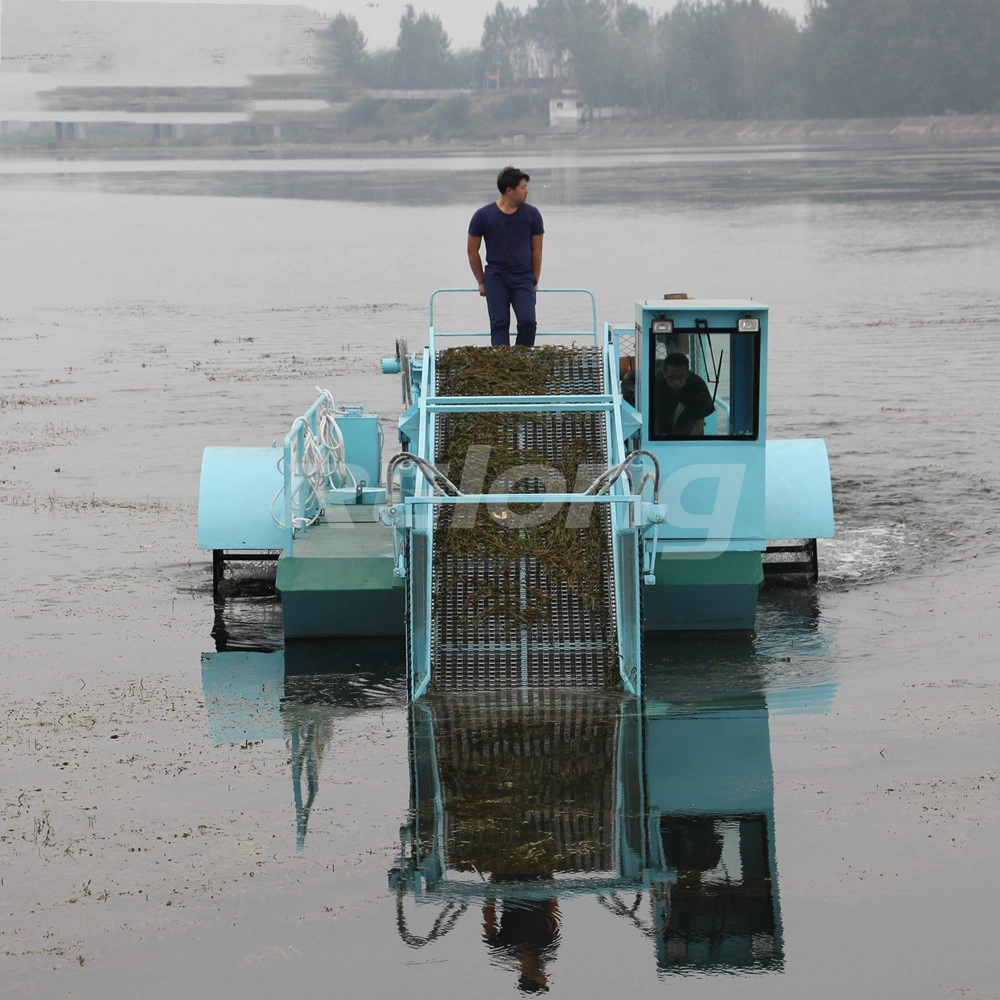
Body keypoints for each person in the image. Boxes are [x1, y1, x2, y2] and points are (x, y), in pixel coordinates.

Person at [467, 166, 544, 347]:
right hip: (495, 277)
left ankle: (522, 361)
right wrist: (480, 281)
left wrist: (535, 279)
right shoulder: (483, 215)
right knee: (499, 324)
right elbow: (472, 251)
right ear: (509, 191)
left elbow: (537, 250)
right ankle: (502, 366)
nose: (527, 191)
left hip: (523, 277)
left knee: (528, 322)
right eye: (523, 187)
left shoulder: (533, 214)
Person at [655, 353, 715, 437]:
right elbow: (654, 417)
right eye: (672, 377)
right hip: (663, 430)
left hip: (689, 430)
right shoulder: (656, 385)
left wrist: (690, 444)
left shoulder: (698, 386)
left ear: (687, 373)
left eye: (681, 377)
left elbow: (699, 422)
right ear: (664, 373)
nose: (676, 382)